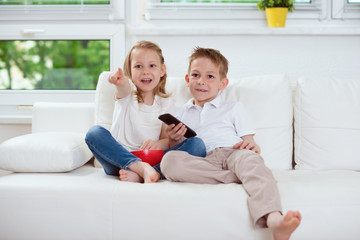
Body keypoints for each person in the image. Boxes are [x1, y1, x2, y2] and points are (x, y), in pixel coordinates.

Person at [160, 47, 301, 240]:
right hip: (202, 160)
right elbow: (176, 148)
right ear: (187, 79)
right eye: (196, 75)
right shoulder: (180, 113)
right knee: (169, 161)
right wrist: (173, 139)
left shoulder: (233, 107)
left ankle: (274, 218)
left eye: (210, 76)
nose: (201, 81)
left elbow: (248, 140)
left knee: (250, 161)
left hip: (233, 152)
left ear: (222, 83)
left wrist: (251, 146)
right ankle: (241, 178)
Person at [85, 41, 206, 183]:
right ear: (130, 71)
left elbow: (165, 140)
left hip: (153, 160)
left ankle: (147, 172)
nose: (145, 71)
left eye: (152, 66)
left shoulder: (166, 104)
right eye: (138, 66)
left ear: (162, 70)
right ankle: (140, 168)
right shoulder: (127, 95)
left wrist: (166, 142)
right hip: (119, 160)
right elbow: (123, 88)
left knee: (198, 145)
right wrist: (120, 82)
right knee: (94, 133)